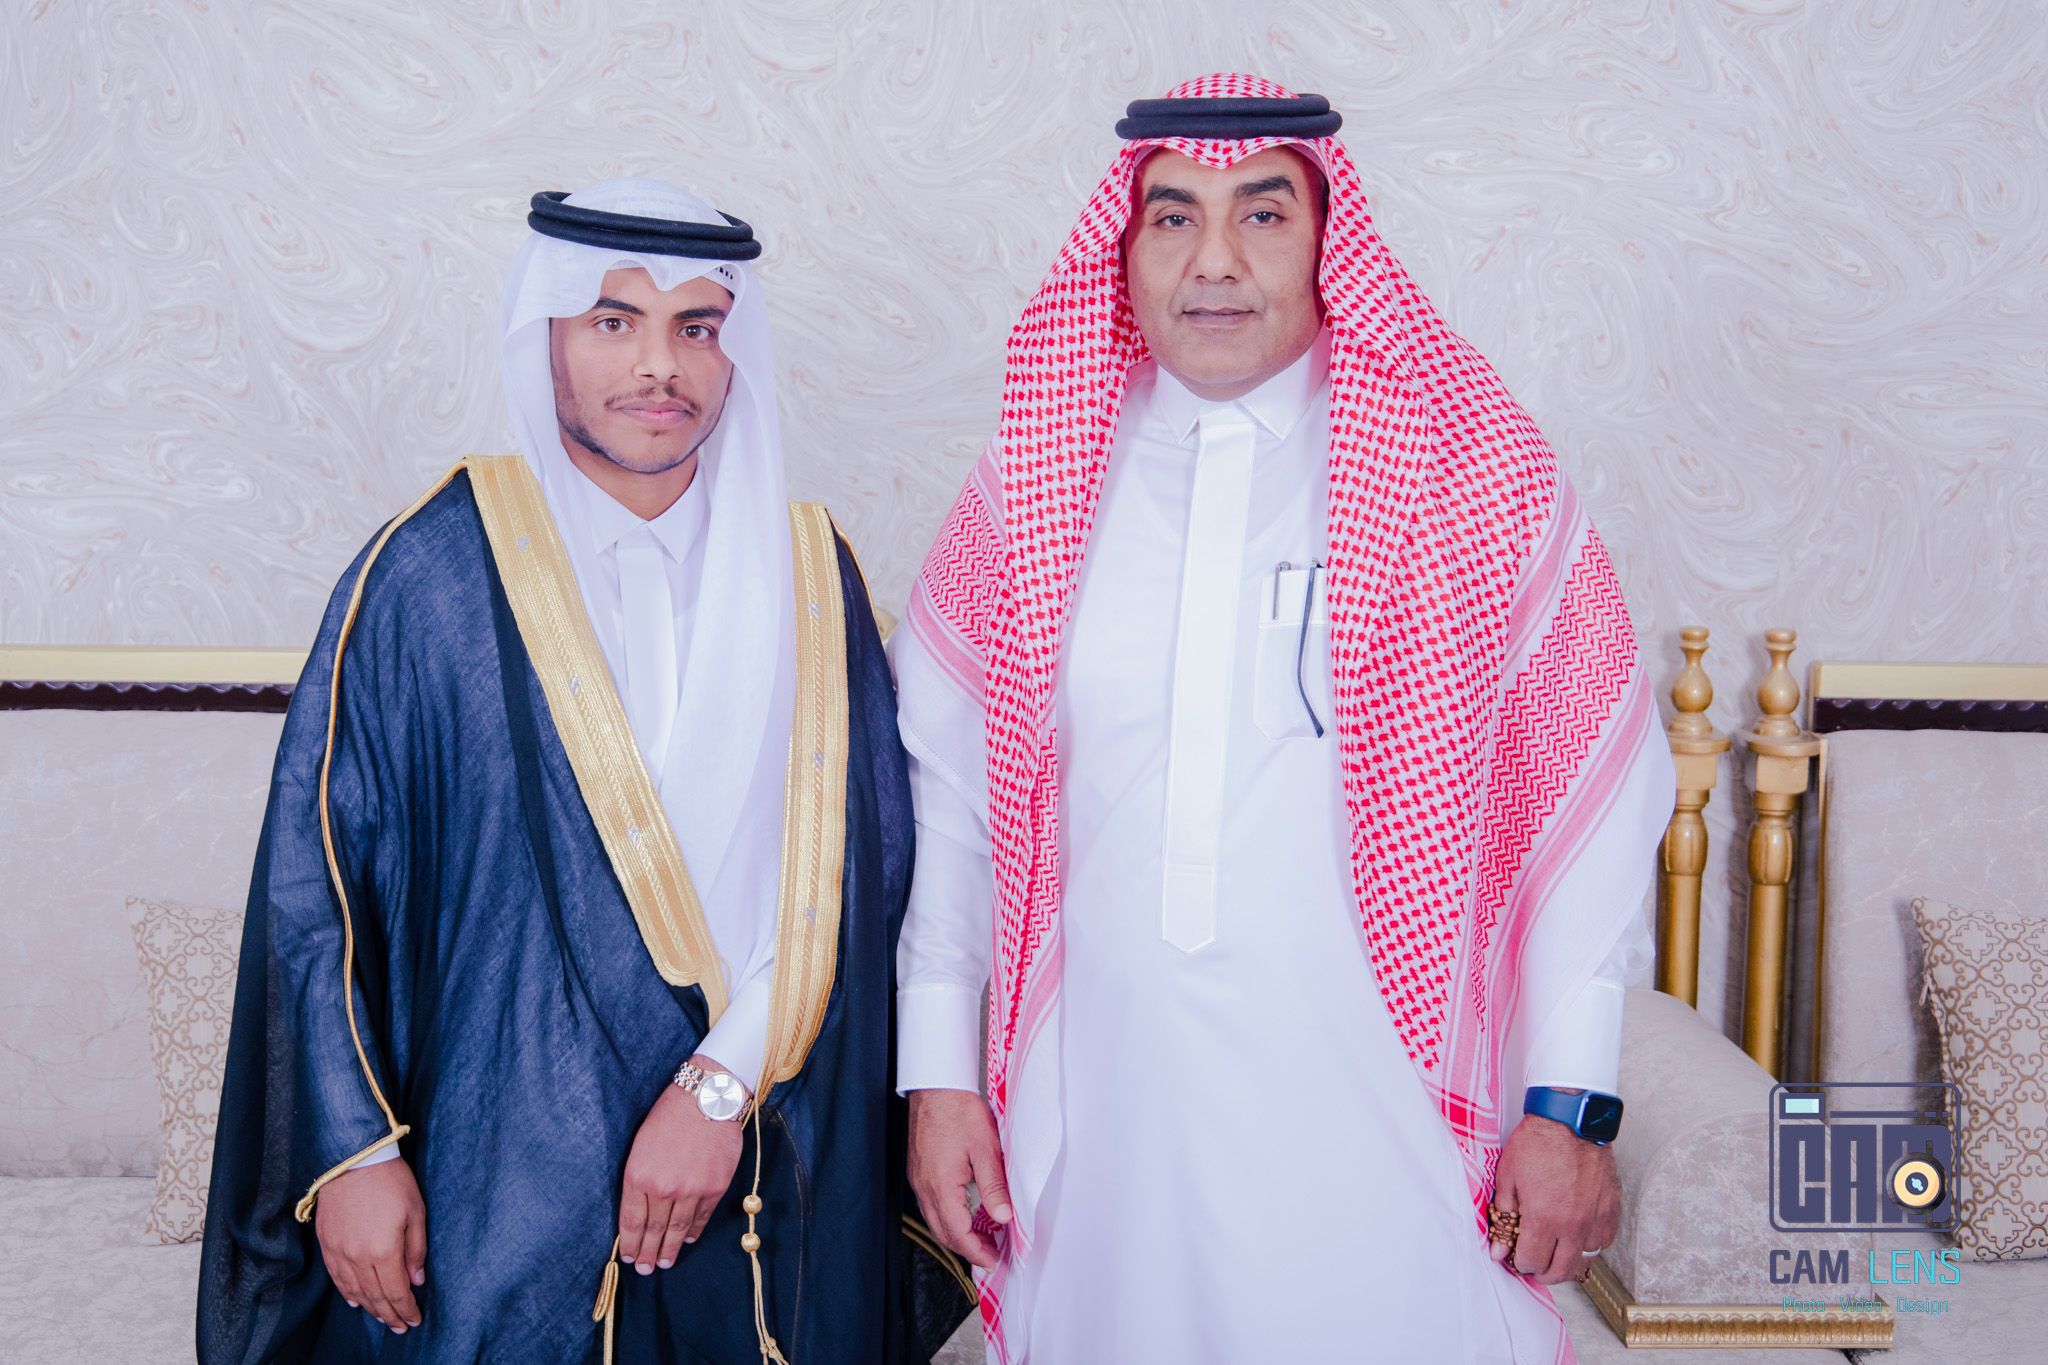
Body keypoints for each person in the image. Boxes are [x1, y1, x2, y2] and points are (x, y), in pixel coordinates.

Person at [893, 76, 1673, 1363]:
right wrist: (939, 1075)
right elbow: (952, 807)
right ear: (1123, 246)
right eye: (1171, 217)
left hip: (1379, 1111)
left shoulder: (1465, 471)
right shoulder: (1032, 484)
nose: (1213, 262)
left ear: (1325, 241)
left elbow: (1582, 807)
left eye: (1260, 215)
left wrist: (1568, 1108)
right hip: (1113, 1115)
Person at [198, 179, 930, 1364]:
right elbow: (317, 884)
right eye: (612, 322)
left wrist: (715, 1089)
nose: (659, 366)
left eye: (696, 327)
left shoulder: (809, 575)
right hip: (499, 1169)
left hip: (756, 1146)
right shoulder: (429, 574)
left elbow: (858, 871)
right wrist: (354, 1154)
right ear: (541, 333)